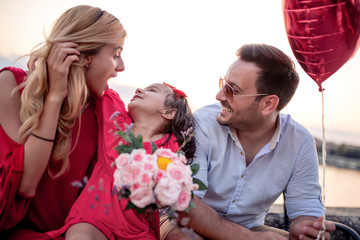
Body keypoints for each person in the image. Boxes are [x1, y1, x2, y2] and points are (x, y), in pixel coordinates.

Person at [161, 43, 336, 240]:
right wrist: (248, 238)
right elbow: (186, 203)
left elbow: (305, 209)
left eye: (231, 90)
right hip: (180, 221)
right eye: (223, 84)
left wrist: (305, 227)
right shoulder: (202, 123)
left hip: (248, 228)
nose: (219, 96)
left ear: (268, 104)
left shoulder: (300, 142)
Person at [0, 5, 126, 239]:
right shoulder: (10, 85)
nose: (121, 67)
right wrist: (55, 97)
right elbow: (25, 186)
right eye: (116, 54)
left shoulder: (103, 110)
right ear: (85, 57)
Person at [46, 82, 195, 240]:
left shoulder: (170, 147)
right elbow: (100, 85)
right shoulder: (117, 120)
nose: (139, 89)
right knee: (80, 235)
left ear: (169, 112)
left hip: (138, 229)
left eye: (152, 90)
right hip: (93, 218)